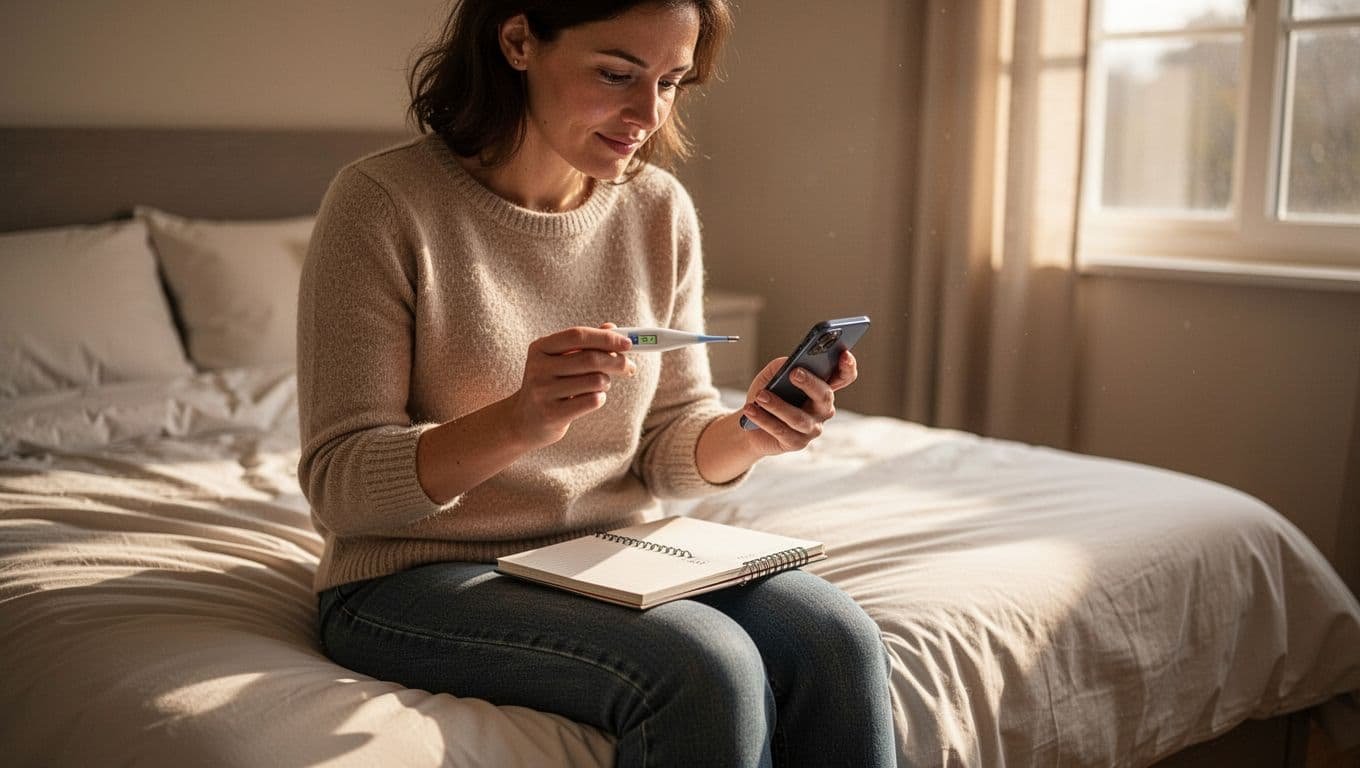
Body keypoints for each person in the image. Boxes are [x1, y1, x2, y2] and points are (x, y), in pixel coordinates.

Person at [298, 1, 896, 766]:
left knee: (835, 637)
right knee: (705, 664)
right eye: (617, 73)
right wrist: (519, 420)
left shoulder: (657, 209)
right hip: (412, 576)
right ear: (518, 41)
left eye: (672, 82)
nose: (647, 113)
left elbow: (665, 445)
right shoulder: (382, 205)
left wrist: (751, 430)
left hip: (607, 553)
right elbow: (339, 486)